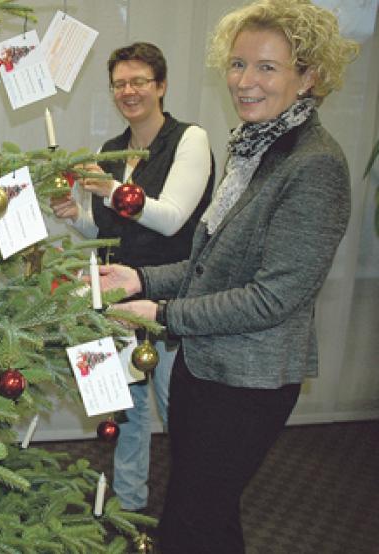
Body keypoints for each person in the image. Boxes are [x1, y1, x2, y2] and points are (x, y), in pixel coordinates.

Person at [97, 1, 358, 551]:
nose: (245, 81)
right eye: (238, 65)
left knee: (194, 519)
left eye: (267, 67)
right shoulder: (255, 151)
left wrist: (162, 313)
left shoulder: (314, 164)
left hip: (249, 383)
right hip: (206, 367)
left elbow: (273, 298)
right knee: (204, 517)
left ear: (308, 75)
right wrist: (140, 280)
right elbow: (208, 266)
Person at [50, 42, 214, 512]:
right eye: (120, 83)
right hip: (118, 297)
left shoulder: (190, 140)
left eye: (139, 81)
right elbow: (107, 229)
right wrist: (74, 215)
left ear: (161, 86)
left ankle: (193, 512)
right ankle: (128, 505)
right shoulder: (111, 150)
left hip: (169, 296)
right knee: (128, 409)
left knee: (180, 410)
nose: (129, 91)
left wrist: (113, 187)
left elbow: (171, 220)